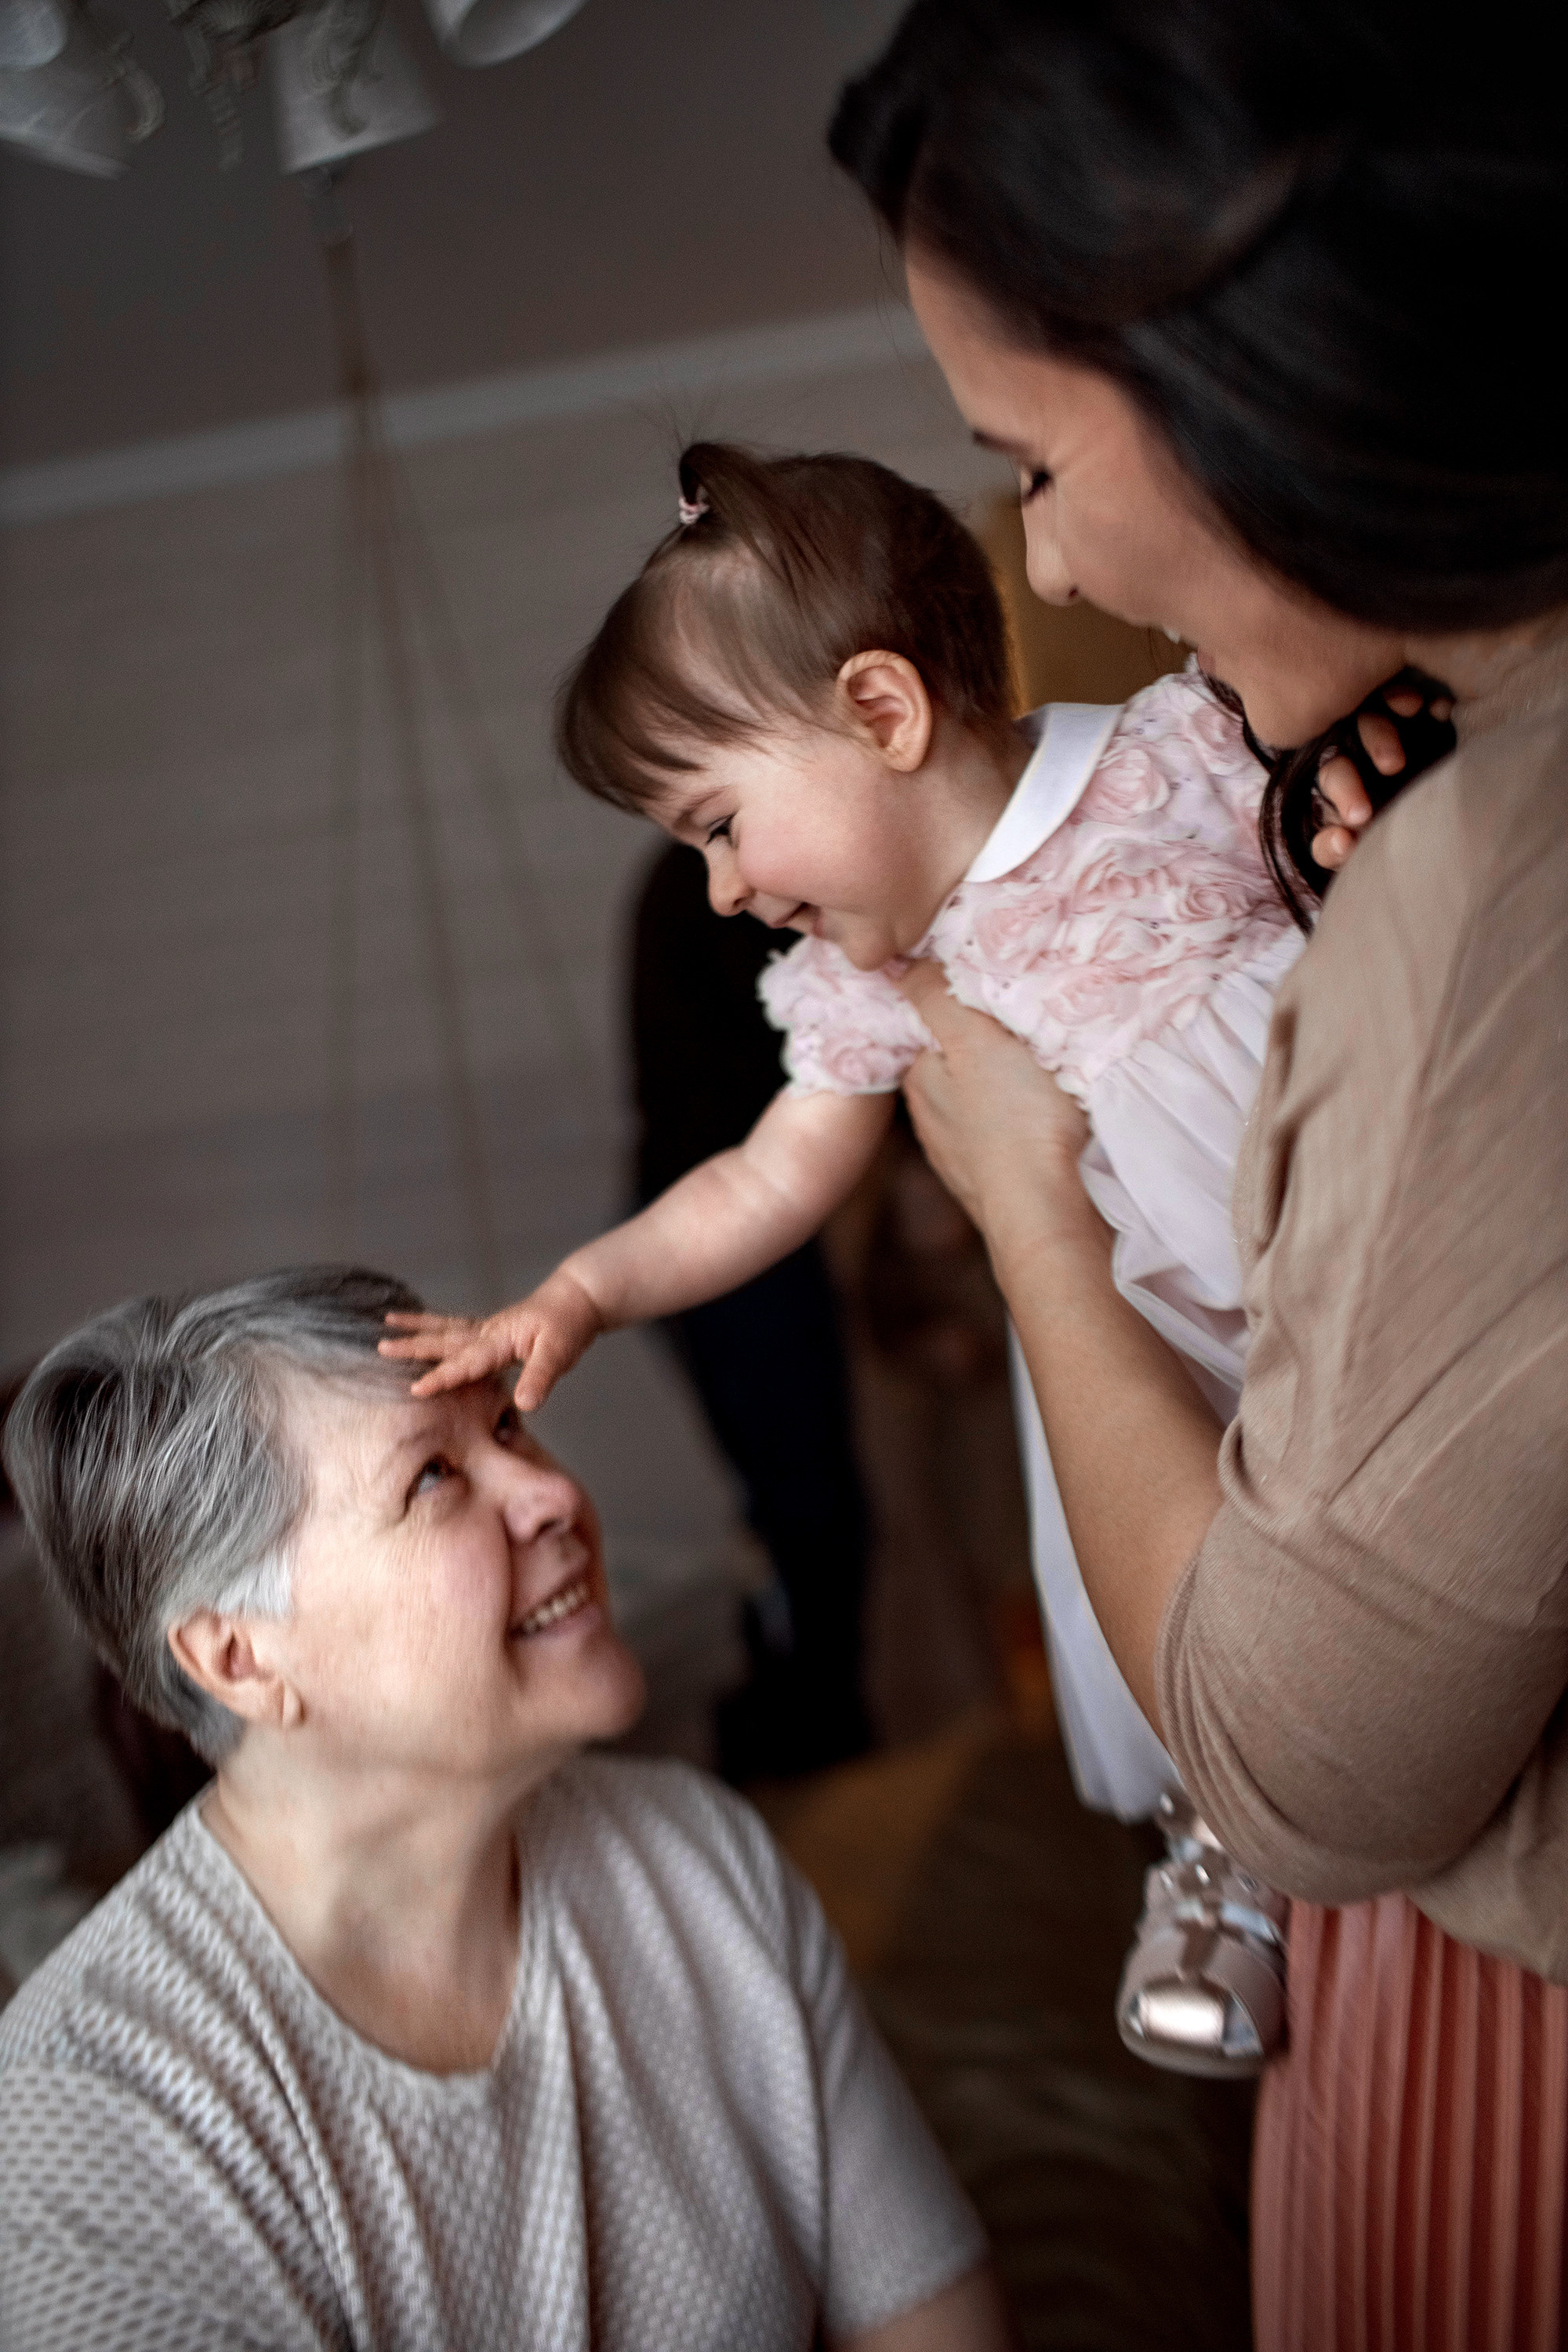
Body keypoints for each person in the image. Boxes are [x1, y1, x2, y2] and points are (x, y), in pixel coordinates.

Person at [826, 0, 1568, 2339]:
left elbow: (1312, 1763)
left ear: (1256, 375)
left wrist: (1025, 1210)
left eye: (1030, 461)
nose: (1049, 554)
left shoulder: (1490, 881)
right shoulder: (1416, 816)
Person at [379, 441, 1438, 2074]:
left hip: (1360, 1270)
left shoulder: (1185, 759)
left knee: (1416, 1565)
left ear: (882, 713)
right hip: (1152, 1382)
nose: (722, 891)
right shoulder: (873, 982)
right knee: (1202, 1624)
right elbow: (766, 1176)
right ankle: (1218, 1856)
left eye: (721, 826)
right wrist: (586, 1289)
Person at [0, 1265, 1006, 2352]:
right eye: (433, 1477)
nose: (553, 1495)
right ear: (240, 1659)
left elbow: (932, 2322)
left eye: (507, 1430)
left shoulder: (701, 1857)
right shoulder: (87, 2118)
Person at [630, 840, 874, 1777]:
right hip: (722, 1228)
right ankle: (813, 1720)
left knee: (800, 1493)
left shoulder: (708, 874)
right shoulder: (727, 884)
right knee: (802, 1497)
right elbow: (833, 1060)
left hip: (723, 1215)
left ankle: (814, 1709)